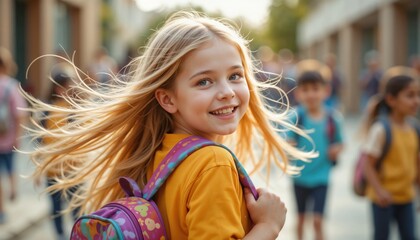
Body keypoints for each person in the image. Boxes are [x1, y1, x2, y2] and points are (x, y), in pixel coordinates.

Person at [23, 11, 314, 239]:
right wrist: (269, 226)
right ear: (167, 99)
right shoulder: (214, 164)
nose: (226, 90)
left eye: (235, 76)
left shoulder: (156, 155)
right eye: (204, 81)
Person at [286, 59, 344, 240]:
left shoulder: (332, 118)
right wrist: (289, 146)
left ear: (326, 91)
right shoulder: (296, 117)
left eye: (315, 89)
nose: (311, 94)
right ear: (298, 94)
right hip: (300, 177)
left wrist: (336, 149)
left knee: (318, 221)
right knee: (301, 219)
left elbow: (341, 142)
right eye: (305, 90)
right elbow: (286, 142)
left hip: (322, 176)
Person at [361, 66, 420, 240]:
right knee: (381, 236)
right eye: (410, 95)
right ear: (391, 100)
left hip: (406, 197)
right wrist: (379, 191)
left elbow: (416, 163)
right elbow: (367, 165)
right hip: (383, 199)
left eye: (418, 95)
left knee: (409, 236)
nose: (416, 100)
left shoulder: (415, 128)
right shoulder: (381, 129)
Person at [39, 72, 80, 240]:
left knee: (68, 207)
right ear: (59, 87)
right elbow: (42, 141)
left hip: (65, 168)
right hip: (64, 168)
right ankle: (70, 234)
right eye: (67, 85)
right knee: (67, 206)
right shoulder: (65, 109)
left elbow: (40, 141)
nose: (70, 89)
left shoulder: (48, 109)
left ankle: (68, 235)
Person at [0, 47, 27, 224]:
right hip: (8, 137)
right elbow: (20, 114)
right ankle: (13, 189)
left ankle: (1, 210)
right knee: (10, 167)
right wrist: (18, 135)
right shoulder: (11, 85)